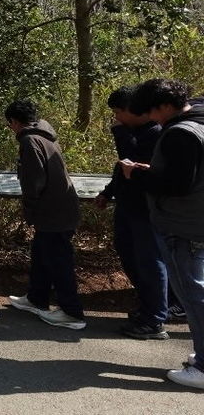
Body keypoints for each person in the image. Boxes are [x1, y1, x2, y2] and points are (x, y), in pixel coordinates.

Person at [125, 79, 204, 389]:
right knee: (197, 291)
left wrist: (138, 174)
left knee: (193, 296)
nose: (152, 120)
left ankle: (203, 366)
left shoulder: (180, 134)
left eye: (153, 112)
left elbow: (176, 186)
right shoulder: (199, 120)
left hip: (183, 225)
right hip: (196, 220)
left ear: (166, 107)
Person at [4, 99, 85, 330]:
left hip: (53, 212)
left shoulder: (30, 141)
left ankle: (72, 313)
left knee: (59, 261)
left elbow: (33, 182)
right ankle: (36, 298)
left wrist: (29, 209)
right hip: (58, 208)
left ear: (15, 122)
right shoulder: (44, 134)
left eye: (10, 124)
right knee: (41, 253)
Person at [93, 86, 167, 340]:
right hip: (127, 206)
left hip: (146, 210)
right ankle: (148, 307)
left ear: (130, 110)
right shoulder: (131, 130)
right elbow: (122, 169)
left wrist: (121, 134)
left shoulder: (157, 133)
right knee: (130, 256)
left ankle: (155, 318)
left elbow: (134, 165)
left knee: (150, 261)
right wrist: (108, 192)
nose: (116, 118)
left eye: (117, 112)